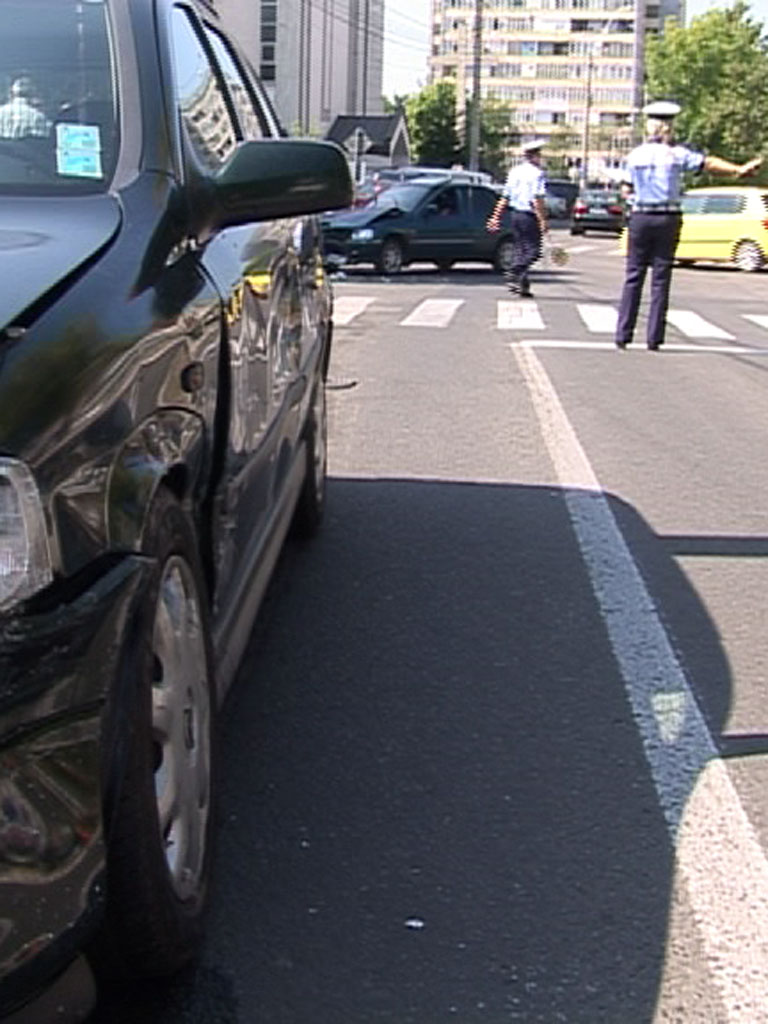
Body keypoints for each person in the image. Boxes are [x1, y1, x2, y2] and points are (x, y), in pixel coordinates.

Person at [615, 100, 762, 351]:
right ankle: (654, 337)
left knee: (633, 275)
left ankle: (623, 333)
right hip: (667, 217)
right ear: (667, 128)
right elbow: (708, 163)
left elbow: (626, 189)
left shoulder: (634, 155)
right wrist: (738, 170)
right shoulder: (676, 153)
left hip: (640, 217)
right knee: (661, 277)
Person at [486, 138, 549, 298]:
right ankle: (515, 270)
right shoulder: (537, 174)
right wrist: (543, 220)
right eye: (539, 155)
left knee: (521, 248)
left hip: (515, 214)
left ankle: (522, 286)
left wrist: (495, 217)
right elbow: (537, 199)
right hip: (529, 216)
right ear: (534, 156)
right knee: (534, 251)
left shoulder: (514, 172)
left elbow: (505, 197)